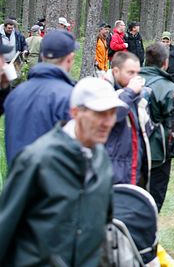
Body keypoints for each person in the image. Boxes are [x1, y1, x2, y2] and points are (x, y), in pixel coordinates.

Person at [0, 77, 126, 265]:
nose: (108, 122)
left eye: (112, 113)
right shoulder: (37, 160)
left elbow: (102, 229)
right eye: (100, 114)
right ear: (75, 112)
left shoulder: (102, 161)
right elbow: (5, 225)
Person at [4, 30, 78, 163]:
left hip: (18, 179)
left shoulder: (15, 94)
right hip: (53, 181)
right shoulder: (71, 96)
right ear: (70, 58)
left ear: (42, 56)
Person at [140, 43, 174, 211]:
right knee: (154, 200)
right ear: (165, 62)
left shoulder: (129, 79)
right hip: (157, 152)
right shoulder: (168, 87)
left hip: (128, 148)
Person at [104, 51, 150, 187]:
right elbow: (112, 115)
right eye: (130, 73)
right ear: (116, 71)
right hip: (111, 171)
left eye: (137, 73)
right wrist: (129, 92)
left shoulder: (136, 96)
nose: (135, 78)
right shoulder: (103, 90)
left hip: (132, 167)